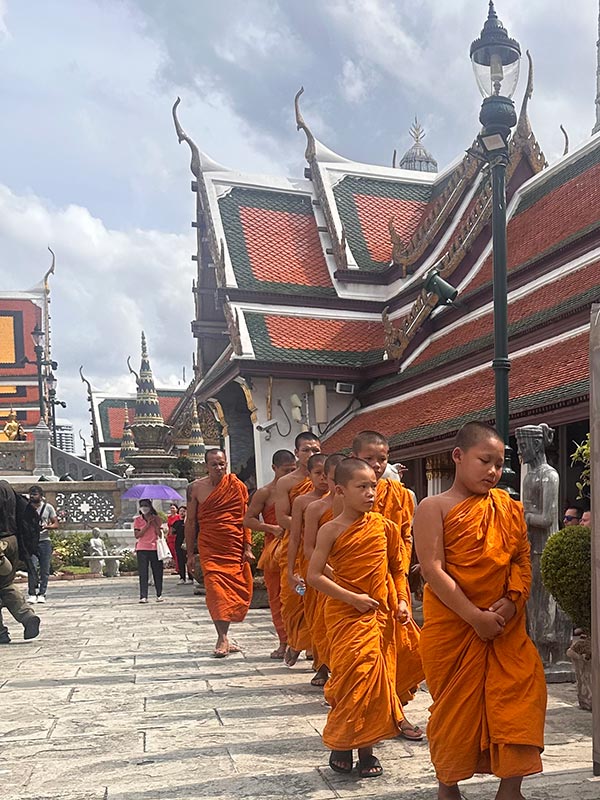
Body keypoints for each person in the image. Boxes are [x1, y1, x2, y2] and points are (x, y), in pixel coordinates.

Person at [413, 421, 547, 800]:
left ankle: (510, 789)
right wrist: (475, 617)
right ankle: (449, 785)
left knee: (522, 697)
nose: (493, 471)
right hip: (455, 628)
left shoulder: (507, 507)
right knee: (455, 711)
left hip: (506, 627)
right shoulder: (433, 507)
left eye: (499, 464)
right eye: (484, 461)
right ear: (458, 456)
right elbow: (433, 569)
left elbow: (521, 559)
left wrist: (513, 600)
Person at [307, 458, 412, 779]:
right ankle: (343, 742)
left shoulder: (385, 527)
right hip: (343, 614)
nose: (370, 493)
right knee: (351, 678)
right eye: (362, 487)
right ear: (340, 490)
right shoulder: (331, 529)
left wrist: (403, 600)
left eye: (373, 486)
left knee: (376, 681)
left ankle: (366, 749)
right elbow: (313, 575)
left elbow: (396, 569)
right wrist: (352, 598)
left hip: (379, 615)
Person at [351, 430, 424, 738]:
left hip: (393, 583)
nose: (377, 465)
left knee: (396, 649)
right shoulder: (343, 495)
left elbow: (406, 535)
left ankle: (394, 709)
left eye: (382, 459)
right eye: (369, 458)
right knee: (365, 657)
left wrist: (402, 570)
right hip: (353, 588)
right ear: (355, 458)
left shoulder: (401, 496)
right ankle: (367, 719)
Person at [185, 448, 255, 658]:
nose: (219, 468)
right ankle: (222, 637)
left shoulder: (237, 486)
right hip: (210, 547)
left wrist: (248, 546)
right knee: (215, 590)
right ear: (206, 466)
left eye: (222, 463)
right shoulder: (195, 488)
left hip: (233, 546)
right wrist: (189, 553)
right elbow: (190, 522)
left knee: (236, 591)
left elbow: (245, 518)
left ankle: (225, 635)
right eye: (214, 464)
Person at [243, 449, 296, 659]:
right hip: (275, 549)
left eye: (293, 470)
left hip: (299, 547)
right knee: (277, 597)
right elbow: (248, 520)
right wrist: (272, 529)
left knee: (301, 597)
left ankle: (307, 642)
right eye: (285, 470)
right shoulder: (265, 492)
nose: (289, 474)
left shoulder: (301, 488)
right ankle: (284, 641)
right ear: (274, 468)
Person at [274, 431, 321, 664]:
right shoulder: (286, 482)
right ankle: (296, 640)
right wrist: (310, 524)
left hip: (321, 547)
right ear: (297, 453)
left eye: (316, 450)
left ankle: (314, 648)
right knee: (294, 599)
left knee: (318, 599)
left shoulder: (328, 479)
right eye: (307, 450)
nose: (311, 454)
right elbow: (282, 517)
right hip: (296, 545)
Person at [302, 452, 346, 686]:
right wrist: (332, 574)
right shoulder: (315, 508)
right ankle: (323, 665)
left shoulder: (364, 509)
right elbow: (309, 548)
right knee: (323, 624)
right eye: (332, 478)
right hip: (327, 576)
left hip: (356, 576)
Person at [286, 453, 329, 670]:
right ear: (309, 475)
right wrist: (290, 570)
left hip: (337, 562)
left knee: (331, 614)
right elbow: (294, 538)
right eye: (318, 473)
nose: (323, 478)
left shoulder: (343, 498)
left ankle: (329, 664)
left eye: (326, 473)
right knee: (314, 613)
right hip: (310, 562)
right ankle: (321, 665)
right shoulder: (303, 501)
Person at [0, 481, 40, 644]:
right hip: (12, 540)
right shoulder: (6, 486)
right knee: (6, 585)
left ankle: (1, 632)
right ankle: (27, 616)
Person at [26, 485, 58, 604]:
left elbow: (56, 524)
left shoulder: (48, 507)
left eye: (35, 494)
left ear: (40, 495)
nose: (32, 496)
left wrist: (46, 527)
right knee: (32, 567)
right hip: (31, 541)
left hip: (44, 540)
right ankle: (32, 593)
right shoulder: (26, 508)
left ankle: (42, 593)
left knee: (44, 569)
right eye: (31, 494)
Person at [134, 499, 164, 603]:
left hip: (155, 548)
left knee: (158, 572)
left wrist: (154, 523)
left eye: (146, 506)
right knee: (143, 573)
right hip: (142, 548)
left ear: (150, 507)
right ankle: (143, 596)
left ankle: (159, 594)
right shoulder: (137, 520)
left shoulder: (157, 519)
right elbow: (137, 535)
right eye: (142, 506)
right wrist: (147, 525)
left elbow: (160, 534)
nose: (144, 508)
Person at [172, 506, 191, 584]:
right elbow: (173, 532)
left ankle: (191, 577)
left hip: (188, 542)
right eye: (181, 511)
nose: (182, 513)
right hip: (179, 543)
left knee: (188, 559)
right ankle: (182, 577)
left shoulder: (190, 522)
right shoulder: (177, 523)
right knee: (180, 560)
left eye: (184, 511)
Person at [166, 503, 180, 569]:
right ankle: (175, 565)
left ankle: (178, 568)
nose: (172, 509)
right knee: (171, 552)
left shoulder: (178, 517)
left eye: (173, 508)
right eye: (171, 508)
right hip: (170, 536)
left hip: (176, 536)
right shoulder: (169, 517)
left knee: (176, 552)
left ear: (176, 509)